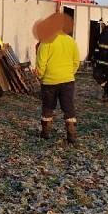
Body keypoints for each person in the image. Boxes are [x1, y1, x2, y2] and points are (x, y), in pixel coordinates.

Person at [36, 15, 80, 144]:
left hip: (49, 81)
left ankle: (46, 132)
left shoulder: (46, 41)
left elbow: (41, 62)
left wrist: (41, 76)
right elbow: (76, 61)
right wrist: (69, 73)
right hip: (68, 80)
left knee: (48, 107)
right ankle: (71, 135)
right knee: (68, 107)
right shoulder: (71, 41)